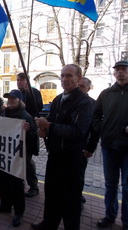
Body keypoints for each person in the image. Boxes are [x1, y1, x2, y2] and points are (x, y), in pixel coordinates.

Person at [31, 64, 93, 230]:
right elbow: (51, 120)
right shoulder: (58, 99)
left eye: (69, 76)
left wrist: (49, 126)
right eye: (63, 75)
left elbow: (78, 131)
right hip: (55, 155)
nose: (65, 79)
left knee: (71, 200)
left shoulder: (84, 102)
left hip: (72, 158)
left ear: (78, 78)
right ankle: (49, 223)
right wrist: (43, 131)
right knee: (51, 194)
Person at [0, 89, 38, 227]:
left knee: (16, 185)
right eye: (9, 98)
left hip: (17, 157)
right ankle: (5, 205)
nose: (11, 101)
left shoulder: (26, 116)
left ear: (20, 100)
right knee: (2, 180)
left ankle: (19, 212)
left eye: (14, 98)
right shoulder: (4, 113)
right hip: (3, 154)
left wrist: (29, 131)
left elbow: (34, 139)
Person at [93, 60, 128, 230]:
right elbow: (96, 116)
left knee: (127, 187)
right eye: (118, 70)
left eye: (124, 69)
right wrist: (103, 130)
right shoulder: (106, 93)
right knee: (110, 184)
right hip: (109, 146)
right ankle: (110, 216)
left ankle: (126, 221)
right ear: (114, 73)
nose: (120, 72)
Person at [17, 72, 43, 197]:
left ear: (26, 81)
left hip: (30, 129)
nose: (18, 82)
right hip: (18, 130)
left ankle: (33, 186)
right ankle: (20, 181)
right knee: (19, 158)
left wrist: (29, 93)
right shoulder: (17, 93)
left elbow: (38, 107)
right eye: (17, 80)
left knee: (27, 159)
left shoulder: (34, 92)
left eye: (20, 80)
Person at [78, 77, 100, 208]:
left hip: (83, 146)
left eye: (83, 86)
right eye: (78, 85)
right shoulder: (68, 99)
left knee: (79, 174)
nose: (80, 87)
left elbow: (95, 130)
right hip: (68, 146)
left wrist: (90, 148)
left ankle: (78, 196)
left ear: (88, 88)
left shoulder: (93, 104)